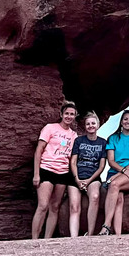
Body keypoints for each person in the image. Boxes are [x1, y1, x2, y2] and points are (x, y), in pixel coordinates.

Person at [32, 101, 78, 240]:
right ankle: (33, 239)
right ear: (61, 114)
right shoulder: (50, 128)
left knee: (55, 207)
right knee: (43, 205)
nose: (69, 116)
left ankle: (47, 240)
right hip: (46, 169)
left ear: (75, 116)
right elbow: (38, 150)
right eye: (67, 113)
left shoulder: (74, 135)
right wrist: (36, 174)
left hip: (63, 172)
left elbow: (72, 159)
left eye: (72, 114)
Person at [103, 110, 129, 236]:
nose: (128, 122)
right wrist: (122, 171)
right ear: (121, 121)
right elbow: (111, 161)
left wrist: (126, 172)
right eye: (125, 119)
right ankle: (117, 234)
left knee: (114, 185)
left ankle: (106, 225)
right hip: (115, 172)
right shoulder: (113, 138)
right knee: (119, 198)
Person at [69, 112, 107, 237]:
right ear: (85, 126)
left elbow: (102, 166)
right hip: (76, 176)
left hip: (93, 177)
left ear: (97, 125)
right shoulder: (79, 141)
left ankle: (90, 234)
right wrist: (77, 179)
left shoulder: (102, 142)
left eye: (93, 123)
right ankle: (73, 237)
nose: (91, 126)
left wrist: (89, 180)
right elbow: (73, 161)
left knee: (95, 197)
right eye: (88, 124)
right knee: (74, 206)